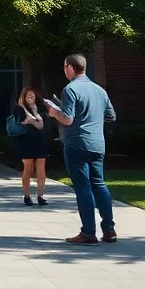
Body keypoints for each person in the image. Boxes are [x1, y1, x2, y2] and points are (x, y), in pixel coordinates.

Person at [46, 54, 117, 245]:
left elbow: (67, 119)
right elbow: (111, 116)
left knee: (83, 188)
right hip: (97, 144)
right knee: (99, 185)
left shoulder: (70, 89)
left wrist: (54, 112)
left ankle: (88, 233)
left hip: (77, 144)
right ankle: (109, 229)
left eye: (64, 66)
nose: (64, 70)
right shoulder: (99, 90)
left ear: (70, 67)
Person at [14, 88, 48, 206]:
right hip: (25, 141)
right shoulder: (19, 109)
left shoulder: (40, 109)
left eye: (32, 96)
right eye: (28, 96)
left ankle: (40, 196)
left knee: (41, 170)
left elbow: (41, 125)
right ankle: (27, 196)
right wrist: (31, 116)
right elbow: (25, 121)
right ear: (23, 97)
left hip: (39, 142)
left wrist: (33, 119)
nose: (30, 98)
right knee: (28, 168)